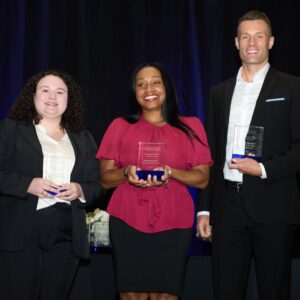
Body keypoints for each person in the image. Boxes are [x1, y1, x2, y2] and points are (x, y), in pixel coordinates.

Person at [197, 10, 300, 300]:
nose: (251, 42)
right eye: (245, 36)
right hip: (227, 206)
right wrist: (205, 209)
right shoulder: (219, 92)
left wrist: (263, 168)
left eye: (259, 36)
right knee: (226, 290)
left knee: (273, 290)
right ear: (236, 42)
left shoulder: (293, 87)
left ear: (271, 42)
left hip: (274, 202)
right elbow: (211, 154)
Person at [97, 62, 212, 300]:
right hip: (127, 218)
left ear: (166, 87)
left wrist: (172, 172)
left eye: (155, 82)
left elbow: (202, 179)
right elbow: (105, 179)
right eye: (141, 84)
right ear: (135, 92)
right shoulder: (120, 126)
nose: (148, 88)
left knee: (166, 294)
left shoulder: (191, 127)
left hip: (174, 219)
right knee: (131, 294)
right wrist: (126, 171)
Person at [0, 70, 104, 300]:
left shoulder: (83, 138)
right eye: (45, 90)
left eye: (60, 92)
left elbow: (99, 184)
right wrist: (28, 184)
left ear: (69, 99)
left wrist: (80, 190)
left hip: (67, 231)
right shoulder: (10, 130)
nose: (52, 97)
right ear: (33, 96)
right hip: (22, 229)